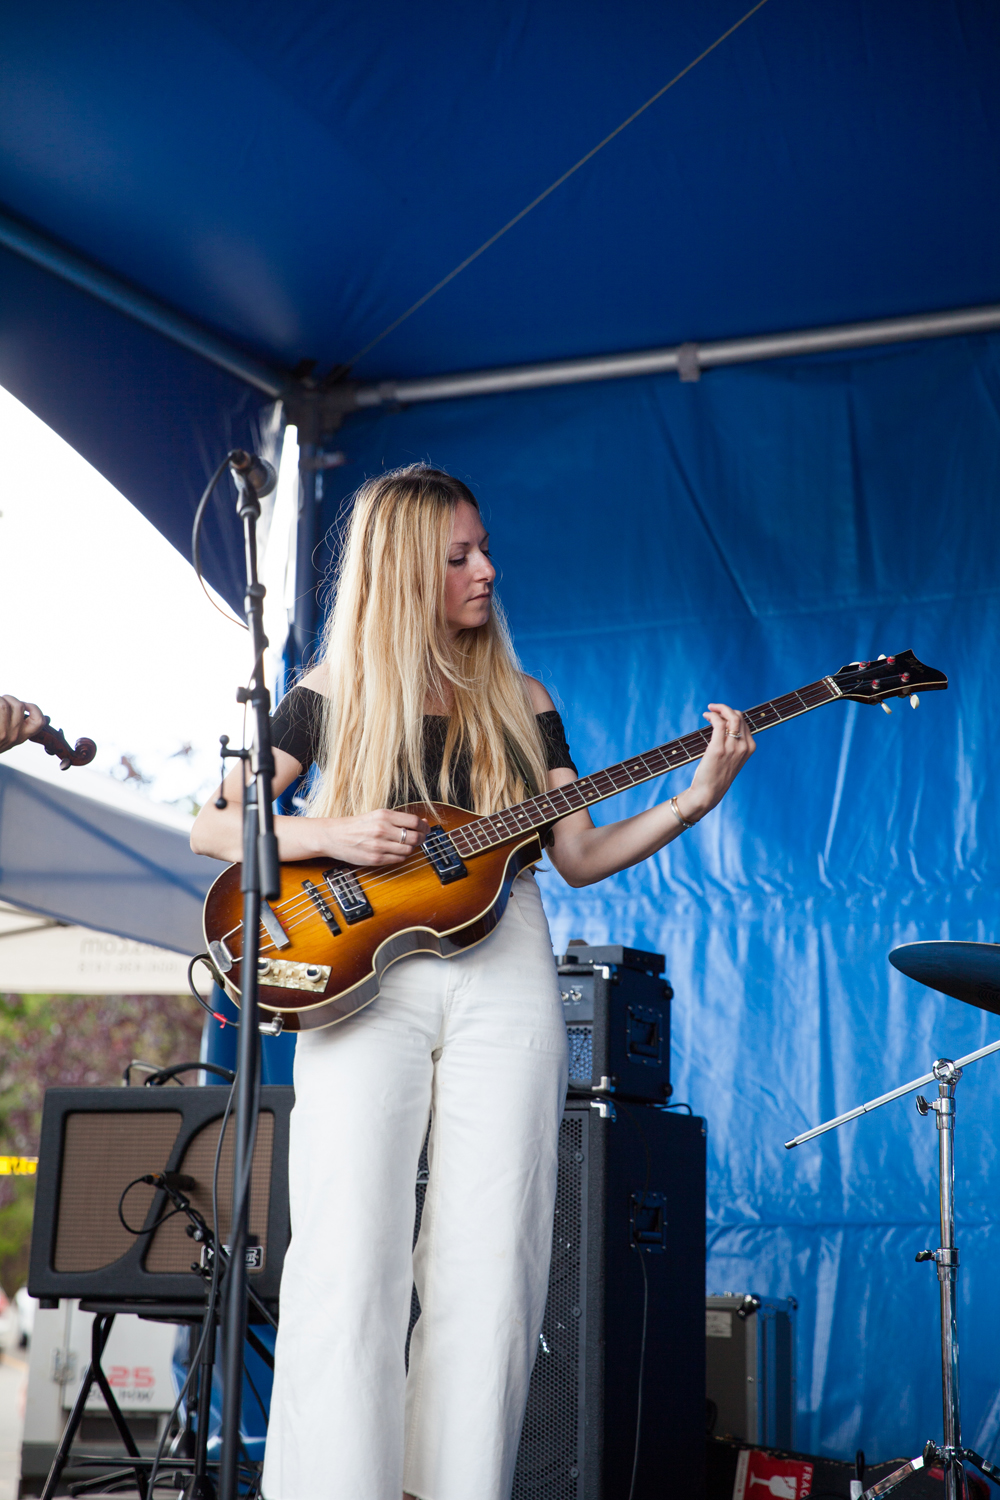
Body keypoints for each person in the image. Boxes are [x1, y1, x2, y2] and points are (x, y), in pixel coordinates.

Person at [190, 465, 755, 1500]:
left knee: (494, 1266)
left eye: (485, 548)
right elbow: (214, 823)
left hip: (506, 962)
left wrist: (694, 801)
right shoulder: (327, 694)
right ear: (403, 569)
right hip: (364, 973)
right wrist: (332, 832)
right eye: (458, 557)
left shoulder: (522, 698)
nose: (486, 569)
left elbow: (576, 854)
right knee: (349, 1249)